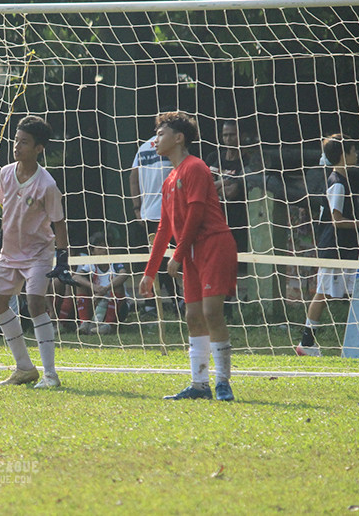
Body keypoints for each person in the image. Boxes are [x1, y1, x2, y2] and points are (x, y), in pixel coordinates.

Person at [139, 111, 238, 401]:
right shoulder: (169, 179)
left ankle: (223, 382)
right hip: (192, 251)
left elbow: (195, 215)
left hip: (213, 245)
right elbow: (163, 228)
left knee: (211, 313)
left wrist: (178, 254)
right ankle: (198, 385)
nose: (155, 140)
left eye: (161, 134)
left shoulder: (195, 168)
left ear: (179, 138)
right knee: (193, 316)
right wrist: (149, 271)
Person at [0, 115, 76, 389]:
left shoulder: (47, 184)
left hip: (38, 253)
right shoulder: (5, 172)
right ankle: (24, 367)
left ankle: (50, 374)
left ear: (39, 148)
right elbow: (8, 213)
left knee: (36, 303)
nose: (17, 146)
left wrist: (62, 259)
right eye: (16, 140)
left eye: (24, 142)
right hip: (10, 253)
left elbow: (58, 222)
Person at [296, 134, 359, 357]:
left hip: (344, 247)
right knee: (323, 294)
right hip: (334, 247)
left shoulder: (342, 180)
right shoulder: (337, 184)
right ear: (344, 155)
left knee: (355, 292)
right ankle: (306, 343)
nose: (357, 154)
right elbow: (337, 220)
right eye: (354, 150)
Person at [204, 120, 251, 319]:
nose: (228, 139)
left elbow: (232, 193)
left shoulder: (247, 162)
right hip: (213, 219)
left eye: (232, 135)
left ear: (241, 136)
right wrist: (225, 182)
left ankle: (229, 305)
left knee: (232, 266)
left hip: (236, 220)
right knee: (212, 264)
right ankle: (213, 303)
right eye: (225, 135)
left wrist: (219, 184)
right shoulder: (213, 157)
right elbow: (204, 186)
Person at [130, 130, 177, 315]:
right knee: (166, 261)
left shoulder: (142, 148)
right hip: (165, 213)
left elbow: (132, 178)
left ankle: (158, 303)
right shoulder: (171, 147)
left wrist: (137, 208)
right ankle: (175, 300)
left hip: (148, 212)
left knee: (159, 260)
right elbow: (134, 178)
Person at [72, 233, 130, 335]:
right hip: (97, 303)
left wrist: (106, 289)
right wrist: (94, 287)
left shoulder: (114, 263)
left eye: (105, 247)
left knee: (118, 286)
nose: (104, 250)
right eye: (99, 248)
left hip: (118, 307)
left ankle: (109, 325)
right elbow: (76, 277)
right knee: (80, 285)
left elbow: (124, 274)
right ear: (92, 252)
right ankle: (84, 323)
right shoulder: (91, 264)